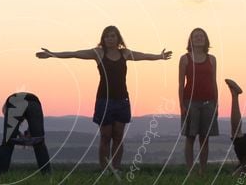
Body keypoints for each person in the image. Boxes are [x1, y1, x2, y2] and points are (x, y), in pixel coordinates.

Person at [36, 26, 172, 171]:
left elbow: (143, 56)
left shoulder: (124, 53)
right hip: (104, 100)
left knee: (118, 136)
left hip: (122, 100)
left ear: (118, 38)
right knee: (105, 136)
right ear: (103, 39)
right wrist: (52, 54)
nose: (110, 39)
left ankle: (116, 167)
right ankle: (105, 169)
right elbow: (75, 53)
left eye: (113, 36)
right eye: (107, 36)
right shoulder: (98, 53)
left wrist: (159, 56)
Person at [179, 27, 219, 174]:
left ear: (206, 39)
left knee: (205, 138)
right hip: (190, 102)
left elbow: (214, 82)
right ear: (191, 40)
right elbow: (180, 83)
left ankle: (203, 170)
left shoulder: (212, 59)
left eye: (201, 36)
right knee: (190, 137)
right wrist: (181, 105)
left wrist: (216, 103)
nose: (199, 38)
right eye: (196, 36)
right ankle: (190, 170)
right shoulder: (185, 59)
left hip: (209, 102)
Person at [0, 92, 51, 175]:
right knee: (39, 142)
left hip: (15, 102)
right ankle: (47, 174)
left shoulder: (7, 107)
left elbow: (11, 127)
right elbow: (33, 124)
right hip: (34, 103)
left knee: (7, 143)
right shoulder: (30, 100)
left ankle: (0, 175)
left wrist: (14, 134)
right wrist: (29, 132)